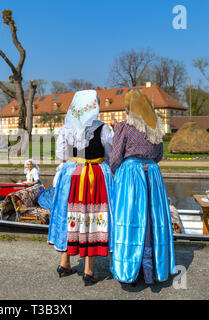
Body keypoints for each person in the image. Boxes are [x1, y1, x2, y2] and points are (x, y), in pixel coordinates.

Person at [47, 90, 115, 286]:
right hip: (95, 176)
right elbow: (110, 155)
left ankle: (65, 263)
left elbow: (61, 155)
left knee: (71, 217)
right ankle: (88, 270)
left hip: (72, 175)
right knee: (92, 218)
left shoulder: (65, 129)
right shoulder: (103, 129)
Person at [109, 89, 176, 285]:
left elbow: (114, 157)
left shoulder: (124, 127)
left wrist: (118, 172)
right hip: (153, 175)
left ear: (129, 107)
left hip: (132, 176)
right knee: (153, 219)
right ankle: (155, 267)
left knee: (132, 219)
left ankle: (131, 268)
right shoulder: (155, 126)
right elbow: (159, 156)